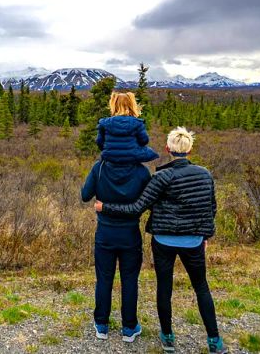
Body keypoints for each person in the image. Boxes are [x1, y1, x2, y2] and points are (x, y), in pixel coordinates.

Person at [95, 127, 228, 354]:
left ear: (167, 149)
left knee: (164, 288)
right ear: (189, 149)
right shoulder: (204, 174)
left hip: (164, 241)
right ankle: (214, 340)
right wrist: (205, 235)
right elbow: (211, 208)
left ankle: (168, 337)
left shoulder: (161, 177)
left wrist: (105, 207)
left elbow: (137, 208)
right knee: (201, 288)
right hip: (193, 241)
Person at [81, 92, 156, 342]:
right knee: (129, 280)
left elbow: (84, 195)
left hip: (105, 233)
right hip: (130, 234)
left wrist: (103, 203)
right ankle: (129, 328)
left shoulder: (99, 167)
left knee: (103, 279)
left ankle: (101, 326)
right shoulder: (142, 171)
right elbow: (148, 202)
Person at [96, 92, 159, 165]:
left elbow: (99, 142)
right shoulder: (137, 123)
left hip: (110, 158)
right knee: (152, 155)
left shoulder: (104, 123)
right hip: (133, 158)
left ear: (113, 105)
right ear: (131, 105)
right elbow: (144, 141)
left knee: (95, 171)